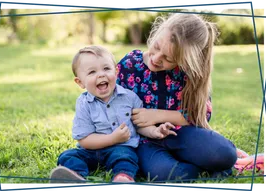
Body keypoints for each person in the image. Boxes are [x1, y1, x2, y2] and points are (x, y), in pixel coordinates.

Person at [116, 13, 239, 182]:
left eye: (168, 58)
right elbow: (113, 105)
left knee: (225, 154)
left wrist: (156, 115)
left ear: (184, 60)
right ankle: (207, 169)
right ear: (157, 32)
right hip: (145, 141)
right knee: (171, 174)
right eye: (157, 46)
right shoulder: (130, 64)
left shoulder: (189, 73)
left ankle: (212, 164)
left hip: (181, 134)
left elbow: (201, 115)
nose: (157, 58)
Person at [49, 45, 177, 184]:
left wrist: (154, 131)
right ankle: (76, 177)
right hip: (91, 151)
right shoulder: (83, 103)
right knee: (67, 156)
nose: (101, 74)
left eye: (106, 68)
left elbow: (139, 125)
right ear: (80, 82)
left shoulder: (129, 97)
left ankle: (122, 179)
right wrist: (112, 138)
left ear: (116, 72)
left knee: (126, 159)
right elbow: (84, 140)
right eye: (92, 72)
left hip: (121, 148)